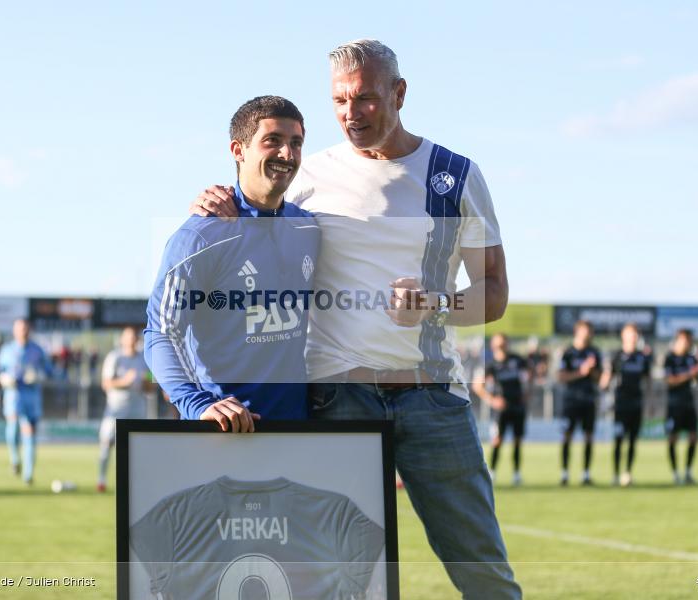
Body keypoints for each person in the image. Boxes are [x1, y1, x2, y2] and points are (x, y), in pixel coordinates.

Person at [192, 40, 520, 599]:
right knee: (339, 580)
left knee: (482, 571)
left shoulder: (454, 175)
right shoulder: (307, 173)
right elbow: (250, 211)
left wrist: (437, 303)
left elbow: (493, 294)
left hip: (431, 397)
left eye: (365, 98)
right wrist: (220, 205)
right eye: (339, 100)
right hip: (336, 398)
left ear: (399, 93)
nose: (350, 113)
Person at [146, 95, 320, 433]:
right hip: (225, 431)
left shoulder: (309, 228)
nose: (287, 154)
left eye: (296, 143)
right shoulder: (200, 236)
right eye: (273, 141)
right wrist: (198, 404)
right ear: (238, 151)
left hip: (297, 433)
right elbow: (162, 332)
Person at [0, 317, 52, 484]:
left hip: (31, 396)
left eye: (26, 328)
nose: (23, 331)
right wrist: (4, 379)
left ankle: (28, 474)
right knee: (13, 425)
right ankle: (14, 459)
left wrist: (38, 376)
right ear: (14, 331)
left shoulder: (38, 350)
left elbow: (48, 371)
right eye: (20, 328)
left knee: (29, 433)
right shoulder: (7, 350)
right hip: (13, 394)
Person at [97, 326, 150, 492]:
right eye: (129, 337)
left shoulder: (145, 359)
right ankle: (102, 479)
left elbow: (151, 386)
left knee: (138, 447)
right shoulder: (115, 357)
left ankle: (136, 483)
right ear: (122, 340)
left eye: (135, 337)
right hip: (116, 408)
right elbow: (106, 383)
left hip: (138, 407)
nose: (132, 340)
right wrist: (124, 381)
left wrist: (145, 382)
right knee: (106, 442)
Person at [473, 334, 529, 486]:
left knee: (518, 441)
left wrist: (526, 393)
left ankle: (517, 474)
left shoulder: (518, 360)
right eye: (498, 344)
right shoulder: (490, 365)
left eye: (504, 344)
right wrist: (492, 400)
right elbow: (477, 386)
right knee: (497, 440)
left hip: (518, 406)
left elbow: (529, 376)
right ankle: (492, 472)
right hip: (501, 409)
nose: (502, 347)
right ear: (493, 346)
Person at [599, 323, 651, 487]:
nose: (632, 338)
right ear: (623, 336)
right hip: (621, 405)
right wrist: (605, 381)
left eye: (635, 335)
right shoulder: (616, 356)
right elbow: (605, 381)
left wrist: (649, 402)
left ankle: (627, 473)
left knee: (633, 441)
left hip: (637, 404)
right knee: (619, 440)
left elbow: (647, 381)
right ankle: (615, 474)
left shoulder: (642, 358)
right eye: (630, 334)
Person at [557, 320, 602, 486]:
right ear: (577, 332)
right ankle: (564, 474)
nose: (589, 335)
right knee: (567, 437)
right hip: (571, 401)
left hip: (589, 400)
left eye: (591, 332)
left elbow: (600, 378)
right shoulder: (568, 353)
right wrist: (580, 372)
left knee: (589, 437)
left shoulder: (595, 353)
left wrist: (592, 371)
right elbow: (561, 377)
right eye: (586, 331)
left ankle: (586, 474)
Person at [663, 329, 698, 485]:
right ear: (678, 340)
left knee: (694, 438)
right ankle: (675, 474)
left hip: (689, 403)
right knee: (673, 439)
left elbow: (697, 379)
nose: (688, 344)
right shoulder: (670, 358)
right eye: (686, 340)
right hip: (674, 405)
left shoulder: (691, 359)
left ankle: (688, 472)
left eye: (690, 341)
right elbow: (669, 380)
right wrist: (688, 375)